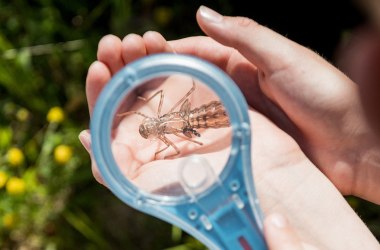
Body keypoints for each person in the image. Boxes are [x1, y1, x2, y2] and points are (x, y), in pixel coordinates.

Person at [80, 6, 380, 249]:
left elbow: (161, 110)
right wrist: (356, 140)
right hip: (192, 123)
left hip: (193, 119)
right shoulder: (160, 131)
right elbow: (170, 128)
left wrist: (357, 141)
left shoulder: (158, 126)